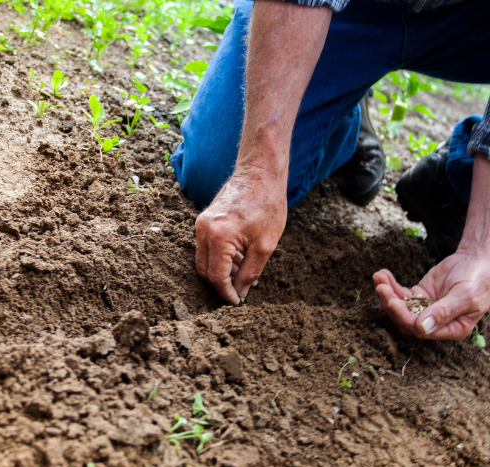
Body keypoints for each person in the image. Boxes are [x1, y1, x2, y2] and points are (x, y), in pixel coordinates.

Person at [169, 0, 490, 341]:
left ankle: (462, 179)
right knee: (217, 171)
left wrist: (480, 247)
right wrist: (259, 171)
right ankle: (342, 110)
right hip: (353, 8)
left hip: (471, 22)